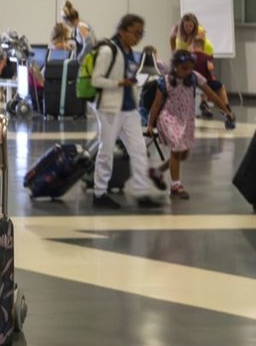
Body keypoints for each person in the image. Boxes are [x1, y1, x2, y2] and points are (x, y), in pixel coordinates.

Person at [89, 14, 161, 209]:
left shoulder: (130, 52)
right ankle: (99, 193)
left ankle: (142, 193)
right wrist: (119, 83)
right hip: (109, 109)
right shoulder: (107, 50)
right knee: (106, 150)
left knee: (139, 151)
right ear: (122, 31)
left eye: (141, 34)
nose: (138, 37)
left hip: (129, 109)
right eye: (135, 33)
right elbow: (96, 80)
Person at [146, 49, 234, 200]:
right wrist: (150, 124)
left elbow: (212, 94)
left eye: (190, 68)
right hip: (168, 118)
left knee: (184, 153)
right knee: (177, 148)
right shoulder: (165, 81)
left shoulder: (194, 77)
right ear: (175, 66)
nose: (187, 71)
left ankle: (158, 171)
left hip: (186, 119)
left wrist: (226, 110)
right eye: (184, 68)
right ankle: (176, 186)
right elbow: (156, 104)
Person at [189, 36, 235, 128]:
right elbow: (210, 68)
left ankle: (204, 103)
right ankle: (225, 107)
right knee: (221, 87)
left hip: (191, 83)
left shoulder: (189, 57)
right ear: (203, 47)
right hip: (205, 84)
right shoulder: (207, 56)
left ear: (193, 46)